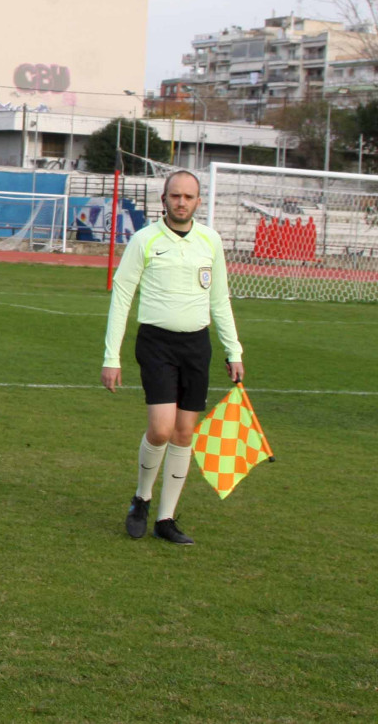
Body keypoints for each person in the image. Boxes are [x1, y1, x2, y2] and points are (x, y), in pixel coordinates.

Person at [102, 170, 244, 546]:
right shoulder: (145, 239)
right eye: (175, 196)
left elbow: (220, 299)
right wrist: (110, 356)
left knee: (184, 433)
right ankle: (142, 498)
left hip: (196, 345)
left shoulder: (210, 240)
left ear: (199, 201)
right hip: (156, 344)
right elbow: (122, 297)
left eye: (189, 196)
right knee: (162, 429)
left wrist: (234, 350)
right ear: (164, 199)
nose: (182, 202)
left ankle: (166, 518)